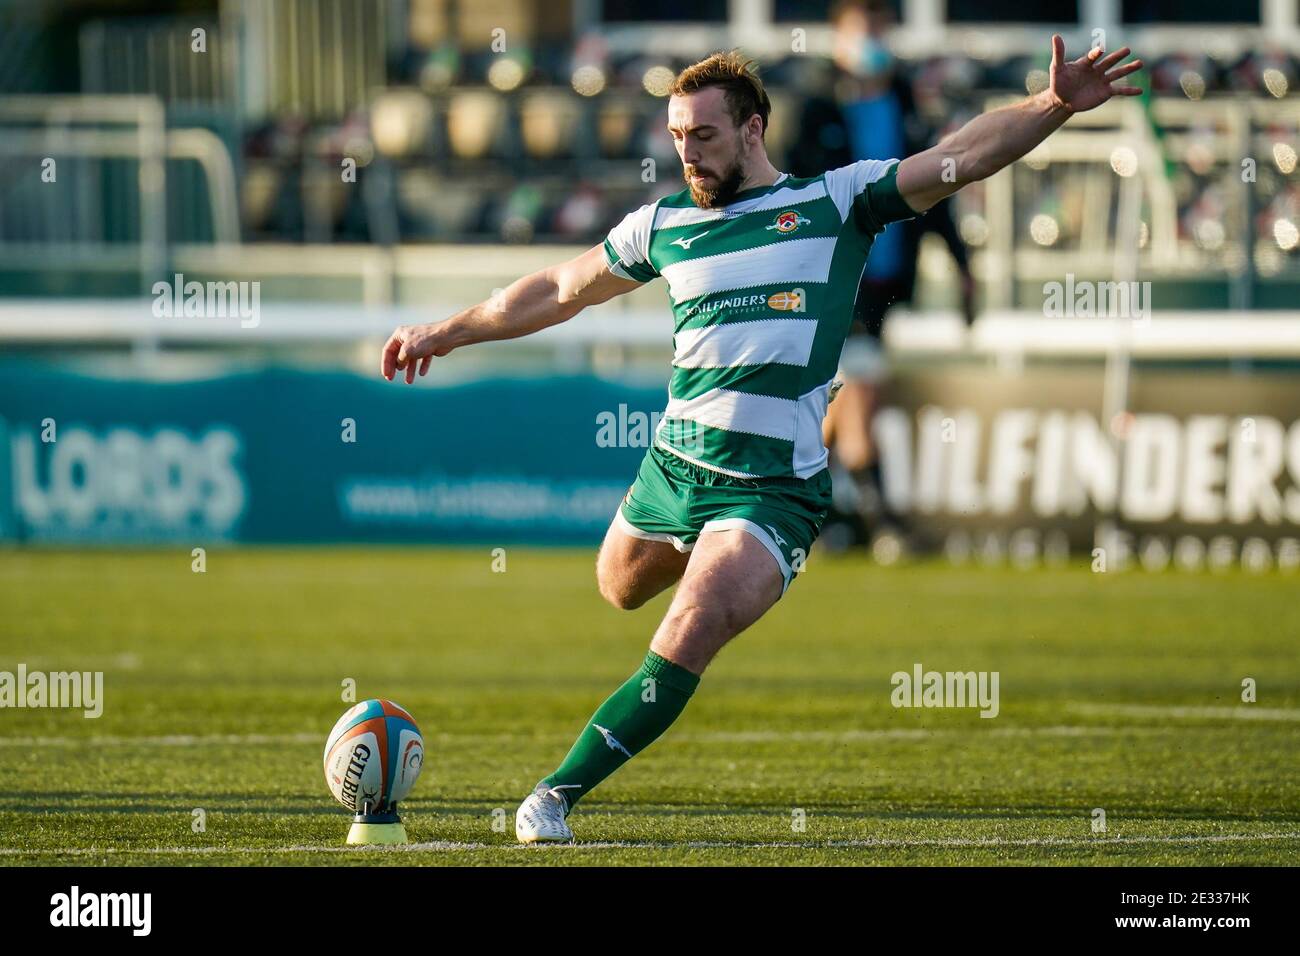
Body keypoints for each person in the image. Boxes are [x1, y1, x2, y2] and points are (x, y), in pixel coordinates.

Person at [380, 38, 1143, 843]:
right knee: (618, 585)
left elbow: (958, 158)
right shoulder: (664, 225)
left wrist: (1051, 105)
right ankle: (692, 550)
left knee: (692, 620)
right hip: (675, 467)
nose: (688, 154)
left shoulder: (837, 200)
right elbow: (559, 290)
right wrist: (448, 331)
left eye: (703, 136)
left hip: (770, 490)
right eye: (676, 138)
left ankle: (553, 797)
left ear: (753, 129)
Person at [792, 0, 975, 540]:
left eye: (878, 26)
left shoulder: (903, 100)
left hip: (887, 278)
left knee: (851, 393)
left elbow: (934, 189)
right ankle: (880, 514)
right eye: (861, 27)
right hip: (832, 278)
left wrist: (963, 264)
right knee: (864, 385)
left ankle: (805, 503)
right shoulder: (817, 105)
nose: (872, 37)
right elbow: (796, 193)